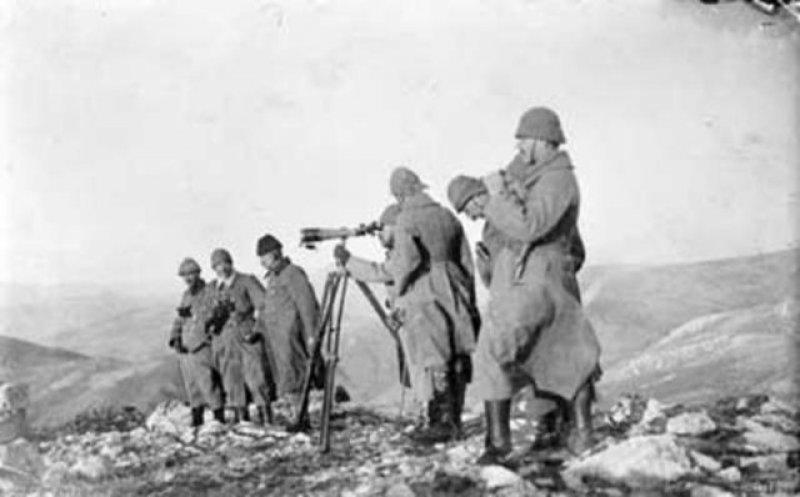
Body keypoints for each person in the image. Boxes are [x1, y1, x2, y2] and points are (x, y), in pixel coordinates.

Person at [467, 107, 602, 466]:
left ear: (543, 141)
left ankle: (499, 444)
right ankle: (575, 434)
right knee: (560, 353)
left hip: (534, 279)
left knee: (494, 351)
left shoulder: (557, 181)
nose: (519, 146)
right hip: (547, 277)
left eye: (524, 139)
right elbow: (575, 248)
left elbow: (529, 227)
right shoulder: (545, 178)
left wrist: (498, 197)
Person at [337, 168, 480, 444]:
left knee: (433, 359)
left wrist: (400, 298)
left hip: (425, 293)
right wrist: (467, 297)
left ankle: (440, 423)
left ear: (399, 194)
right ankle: (455, 419)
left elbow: (404, 265)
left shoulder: (406, 220)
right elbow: (466, 260)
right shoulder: (447, 215)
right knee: (456, 355)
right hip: (455, 287)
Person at [448, 175, 568, 450]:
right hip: (546, 296)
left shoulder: (501, 220)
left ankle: (499, 444)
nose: (471, 217)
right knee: (542, 363)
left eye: (468, 209)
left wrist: (487, 266)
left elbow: (500, 276)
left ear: (476, 197)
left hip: (517, 302)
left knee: (492, 363)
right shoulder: (522, 210)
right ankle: (553, 430)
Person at [255, 234, 322, 420]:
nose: (262, 262)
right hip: (277, 341)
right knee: (286, 378)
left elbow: (307, 305)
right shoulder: (273, 278)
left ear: (275, 253)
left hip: (291, 339)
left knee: (296, 376)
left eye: (264, 257)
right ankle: (295, 415)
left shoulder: (293, 273)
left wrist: (311, 335)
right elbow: (267, 308)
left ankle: (300, 418)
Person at [209, 248, 274, 425]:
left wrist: (256, 329)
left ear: (231, 263)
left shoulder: (246, 281)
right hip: (225, 340)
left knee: (256, 378)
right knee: (231, 381)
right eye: (217, 266)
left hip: (247, 336)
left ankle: (266, 420)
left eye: (224, 263)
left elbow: (264, 305)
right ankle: (241, 421)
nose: (221, 268)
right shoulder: (213, 288)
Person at [168, 257, 225, 427]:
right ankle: (197, 420)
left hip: (201, 346)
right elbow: (180, 319)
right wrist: (175, 338)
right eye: (184, 275)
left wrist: (201, 340)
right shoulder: (186, 296)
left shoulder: (209, 293)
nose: (188, 278)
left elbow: (213, 318)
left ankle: (218, 419)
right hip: (185, 348)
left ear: (198, 273)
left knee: (207, 384)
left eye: (191, 274)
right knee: (191, 386)